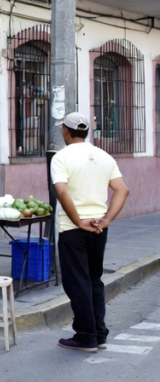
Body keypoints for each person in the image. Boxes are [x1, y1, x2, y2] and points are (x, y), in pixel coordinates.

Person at [51, 112, 129, 353]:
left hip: (73, 228)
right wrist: (105, 220)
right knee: (94, 280)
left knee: (78, 282)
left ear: (66, 131)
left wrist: (77, 220)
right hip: (98, 228)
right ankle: (99, 334)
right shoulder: (104, 156)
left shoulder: (61, 157)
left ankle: (85, 336)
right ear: (86, 132)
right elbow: (122, 190)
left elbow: (62, 193)